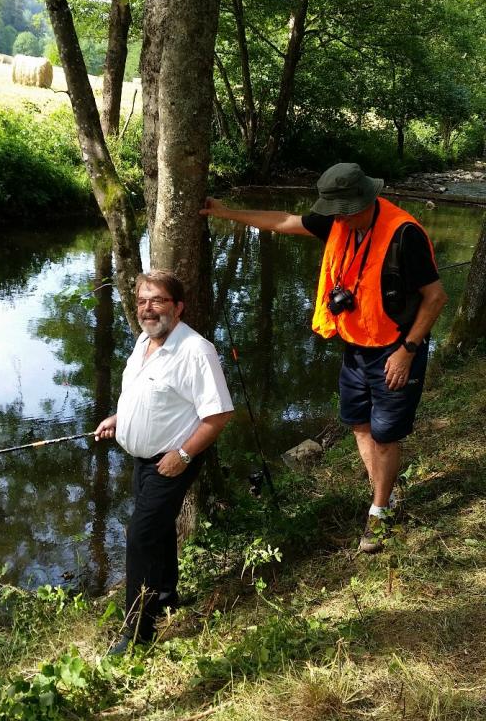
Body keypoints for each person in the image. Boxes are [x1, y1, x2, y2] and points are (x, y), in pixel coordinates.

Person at [201, 162, 447, 552]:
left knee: (385, 435)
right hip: (356, 346)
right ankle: (384, 494)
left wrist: (407, 351)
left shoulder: (404, 234)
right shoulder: (337, 218)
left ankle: (379, 514)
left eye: (343, 213)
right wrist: (224, 210)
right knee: (359, 424)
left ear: (363, 202)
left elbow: (435, 298)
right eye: (333, 212)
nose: (336, 220)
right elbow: (283, 220)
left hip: (396, 348)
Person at [95, 269, 234, 652]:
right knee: (155, 531)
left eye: (157, 300)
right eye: (142, 301)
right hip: (142, 460)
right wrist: (118, 419)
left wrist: (183, 454)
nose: (147, 308)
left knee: (139, 536)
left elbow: (219, 414)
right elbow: (149, 396)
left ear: (178, 306)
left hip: (172, 460)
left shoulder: (195, 351)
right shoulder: (144, 341)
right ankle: (166, 596)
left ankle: (136, 633)